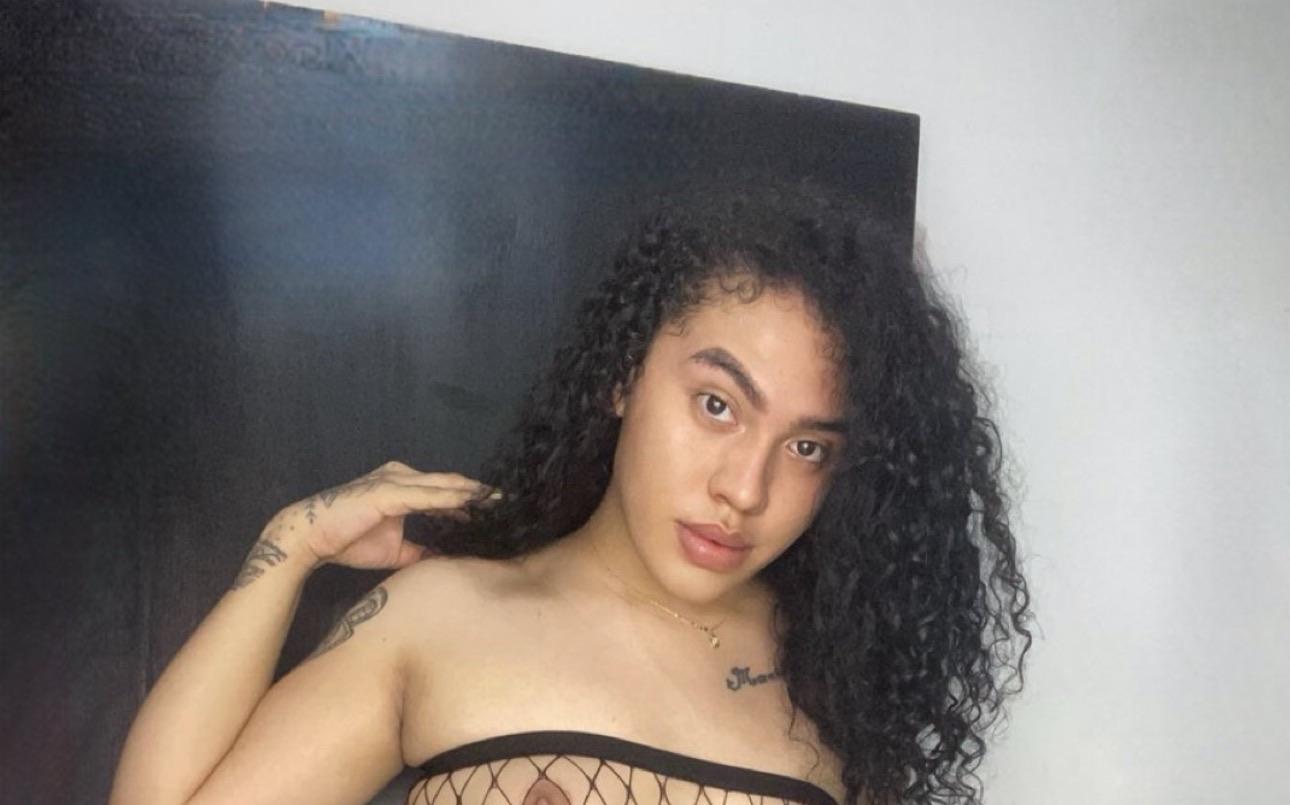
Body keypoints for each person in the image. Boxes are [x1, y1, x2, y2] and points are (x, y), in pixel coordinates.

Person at [110, 179, 1032, 805]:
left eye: (807, 447)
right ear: (625, 374)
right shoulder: (443, 615)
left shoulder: (840, 677)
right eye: (716, 404)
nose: (745, 489)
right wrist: (292, 545)